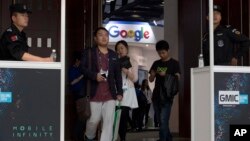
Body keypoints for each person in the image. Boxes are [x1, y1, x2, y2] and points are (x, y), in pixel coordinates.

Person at [80, 27, 123, 141]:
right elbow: (82, 68)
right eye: (100, 35)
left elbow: (118, 75)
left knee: (108, 122)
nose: (104, 37)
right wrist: (95, 76)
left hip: (110, 94)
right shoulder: (89, 52)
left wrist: (120, 92)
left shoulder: (113, 55)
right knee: (94, 119)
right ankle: (89, 137)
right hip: (94, 93)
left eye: (106, 35)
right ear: (95, 38)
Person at [149, 40, 180, 141]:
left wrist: (165, 75)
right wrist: (153, 75)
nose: (161, 55)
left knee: (163, 120)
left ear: (168, 50)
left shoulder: (174, 63)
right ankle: (169, 138)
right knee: (161, 121)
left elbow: (177, 78)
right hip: (156, 95)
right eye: (159, 53)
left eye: (163, 52)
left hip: (167, 96)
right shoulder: (156, 63)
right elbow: (151, 79)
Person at [115, 40, 138, 141]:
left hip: (128, 91)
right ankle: (117, 136)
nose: (120, 50)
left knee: (123, 116)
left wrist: (126, 71)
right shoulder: (114, 61)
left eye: (122, 48)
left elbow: (135, 79)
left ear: (126, 49)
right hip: (116, 91)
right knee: (116, 117)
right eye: (117, 49)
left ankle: (123, 138)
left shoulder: (132, 61)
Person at [68, 51, 85, 141]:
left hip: (82, 95)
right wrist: (81, 76)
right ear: (77, 60)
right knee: (81, 117)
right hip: (77, 95)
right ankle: (75, 135)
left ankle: (79, 136)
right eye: (80, 60)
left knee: (82, 117)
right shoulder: (72, 69)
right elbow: (72, 82)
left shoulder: (80, 69)